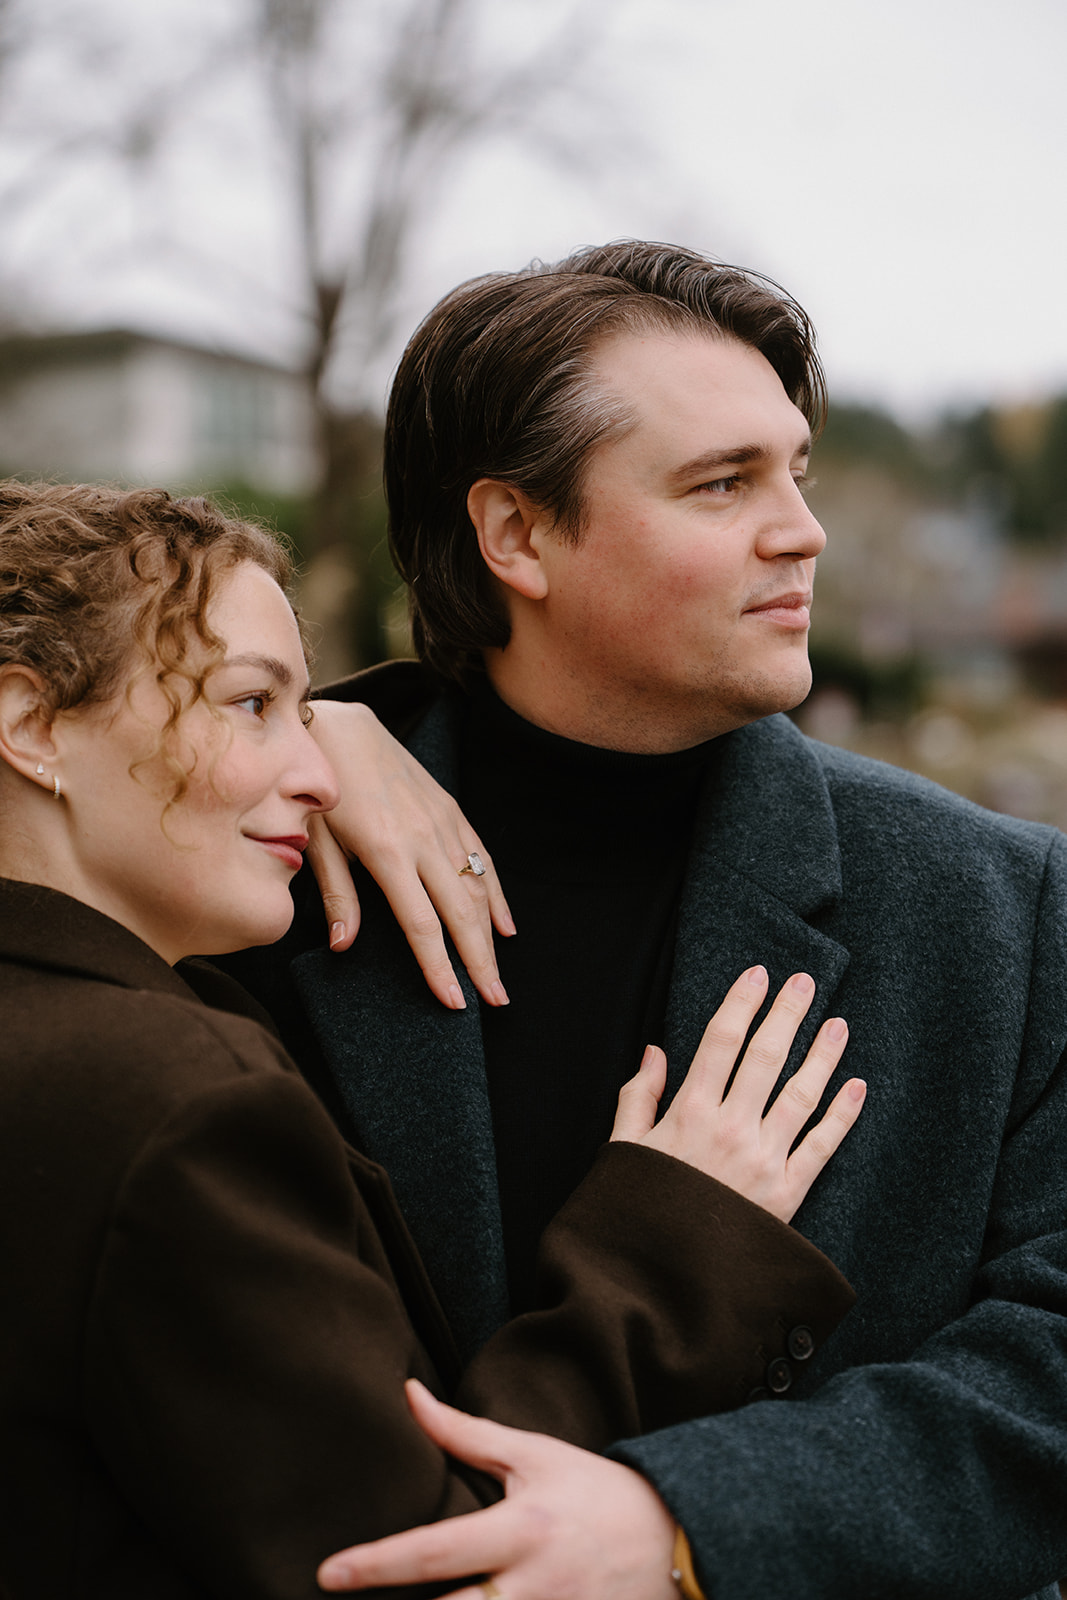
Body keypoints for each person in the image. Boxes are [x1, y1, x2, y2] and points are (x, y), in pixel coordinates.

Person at [232, 243, 1067, 1600]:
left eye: (793, 471)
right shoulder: (255, 885)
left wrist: (688, 1528)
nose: (799, 527)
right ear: (515, 536)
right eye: (720, 483)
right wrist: (319, 731)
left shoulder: (1003, 905)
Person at [0, 479, 863, 1600]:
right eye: (251, 705)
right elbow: (417, 1562)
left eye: (310, 715)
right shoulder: (175, 1102)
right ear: (28, 725)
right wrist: (666, 1249)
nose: (320, 776)